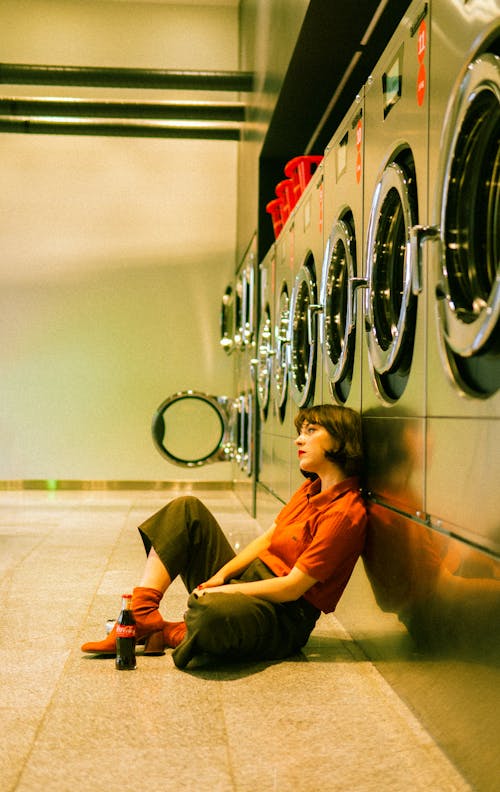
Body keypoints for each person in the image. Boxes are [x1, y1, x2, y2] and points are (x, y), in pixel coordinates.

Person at [82, 404, 367, 669]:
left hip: (282, 616)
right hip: (252, 581)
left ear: (340, 441)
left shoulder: (344, 514)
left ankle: (171, 632)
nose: (298, 440)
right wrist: (222, 576)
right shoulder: (310, 489)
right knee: (186, 509)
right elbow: (267, 540)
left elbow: (292, 588)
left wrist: (223, 591)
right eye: (300, 432)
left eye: (311, 431)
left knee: (210, 612)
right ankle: (143, 612)